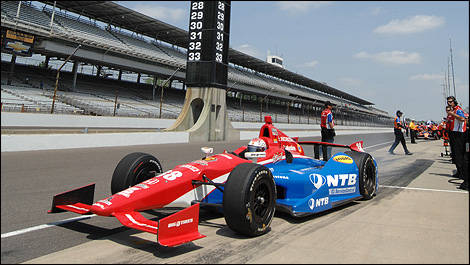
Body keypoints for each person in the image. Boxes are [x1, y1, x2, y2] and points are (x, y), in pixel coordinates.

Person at [445, 96, 468, 190]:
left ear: (454, 102)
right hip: (453, 134)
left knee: (459, 154)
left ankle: (463, 173)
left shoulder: (458, 110)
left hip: (459, 135)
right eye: (448, 102)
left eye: (450, 102)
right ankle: (459, 171)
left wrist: (452, 114)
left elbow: (462, 119)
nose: (449, 103)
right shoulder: (451, 111)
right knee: (454, 154)